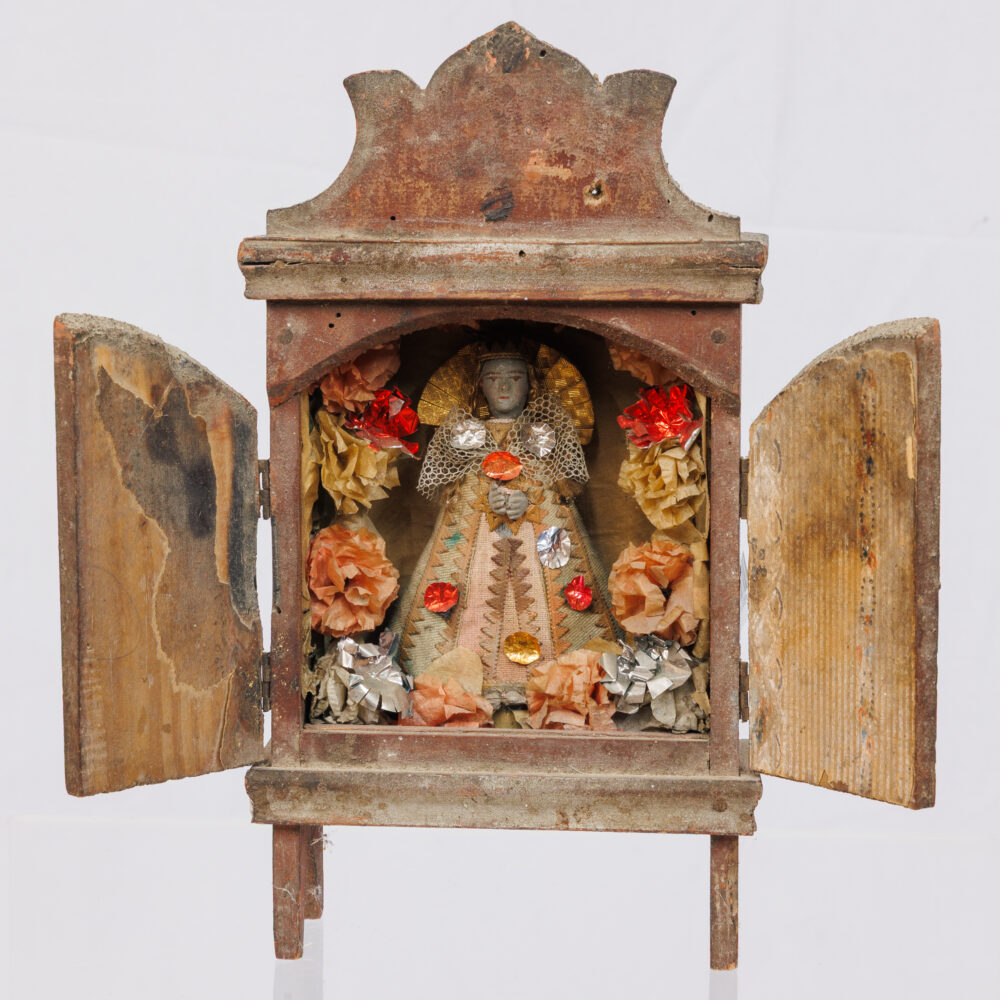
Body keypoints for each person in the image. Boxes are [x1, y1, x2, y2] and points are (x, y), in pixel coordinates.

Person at [390, 342, 618, 708]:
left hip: (538, 538)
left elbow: (555, 489)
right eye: (494, 378)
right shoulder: (466, 436)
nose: (504, 387)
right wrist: (483, 500)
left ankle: (547, 677)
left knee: (554, 595)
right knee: (464, 586)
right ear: (480, 384)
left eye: (515, 378)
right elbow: (458, 493)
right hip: (476, 540)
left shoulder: (542, 435)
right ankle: (466, 678)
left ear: (530, 383)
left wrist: (530, 499)